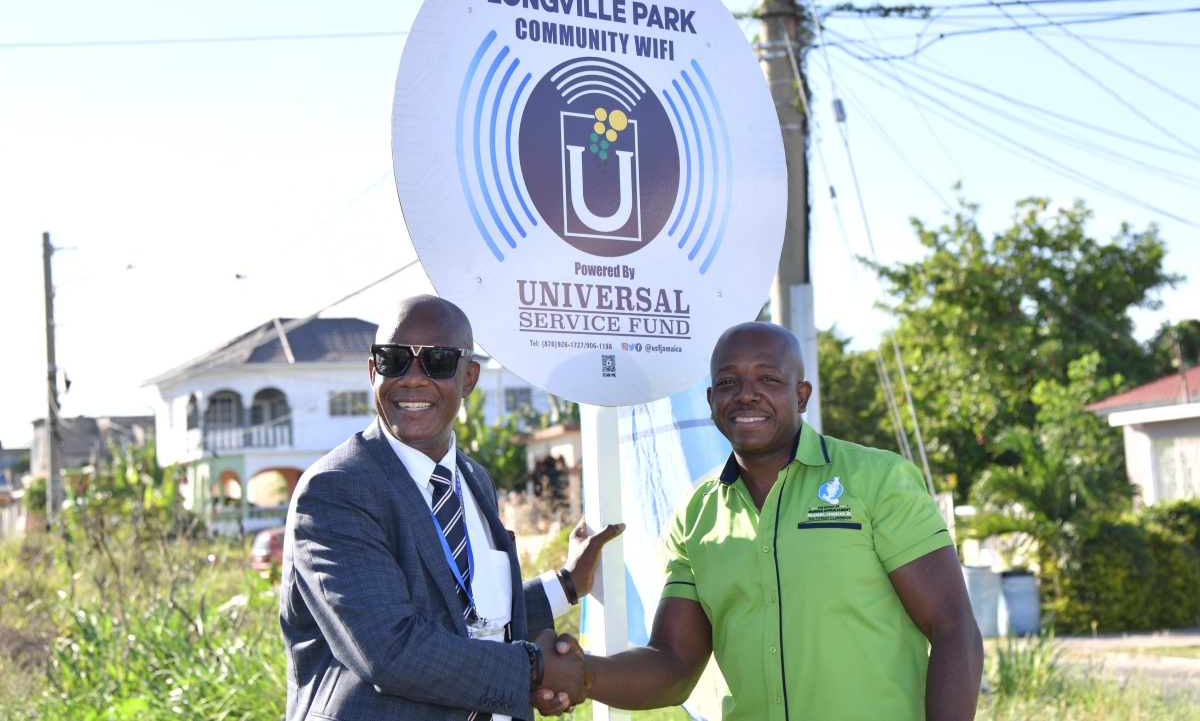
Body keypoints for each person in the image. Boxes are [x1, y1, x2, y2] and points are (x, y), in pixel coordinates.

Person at [582, 321, 983, 720]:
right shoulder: (695, 515)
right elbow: (673, 664)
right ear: (710, 400)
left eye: (768, 378)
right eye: (727, 383)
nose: (746, 395)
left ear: (802, 395)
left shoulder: (877, 480)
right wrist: (582, 674)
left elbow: (952, 626)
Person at [281, 294, 624, 720]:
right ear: (373, 371)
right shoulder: (338, 490)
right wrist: (532, 670)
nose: (412, 378)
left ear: (469, 378)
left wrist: (569, 583)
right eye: (394, 359)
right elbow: (390, 649)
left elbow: (470, 619)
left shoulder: (474, 480)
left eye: (438, 361)